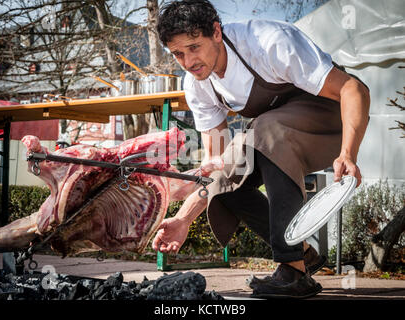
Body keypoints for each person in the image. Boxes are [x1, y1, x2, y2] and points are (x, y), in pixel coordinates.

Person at [152, 0, 370, 298]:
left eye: (194, 47)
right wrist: (183, 219)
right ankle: (303, 252)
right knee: (228, 181)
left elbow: (353, 90)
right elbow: (219, 170)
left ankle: (293, 272)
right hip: (276, 133)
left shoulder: (269, 42)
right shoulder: (198, 85)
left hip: (334, 119)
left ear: (216, 32)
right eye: (178, 54)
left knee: (266, 130)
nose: (188, 62)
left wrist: (349, 153)